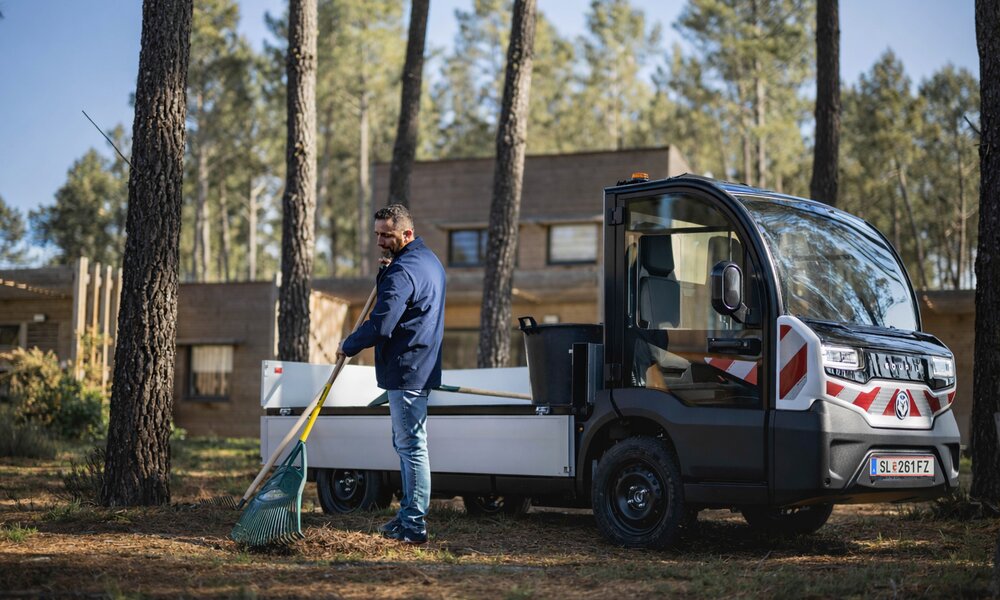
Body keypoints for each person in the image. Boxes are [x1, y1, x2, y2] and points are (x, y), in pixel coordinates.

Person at [337, 204, 446, 545]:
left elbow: (382, 325)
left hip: (406, 368)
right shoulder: (429, 262)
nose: (380, 242)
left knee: (411, 446)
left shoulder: (402, 272)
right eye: (377, 235)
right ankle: (407, 517)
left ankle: (413, 525)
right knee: (408, 444)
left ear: (407, 233)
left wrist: (348, 345)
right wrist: (385, 275)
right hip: (421, 365)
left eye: (387, 235)